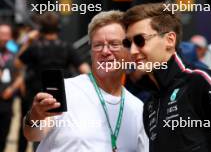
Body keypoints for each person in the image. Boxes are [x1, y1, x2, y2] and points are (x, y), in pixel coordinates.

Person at [122, 3, 211, 152]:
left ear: (170, 40)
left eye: (140, 40)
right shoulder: (150, 104)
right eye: (128, 43)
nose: (132, 51)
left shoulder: (201, 82)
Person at [23, 10, 148, 152]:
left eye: (114, 44)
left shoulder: (138, 109)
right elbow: (33, 135)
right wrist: (35, 116)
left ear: (129, 50)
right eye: (98, 45)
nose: (105, 51)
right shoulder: (65, 91)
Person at [15, 12, 90, 152]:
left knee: (37, 136)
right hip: (62, 100)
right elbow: (85, 70)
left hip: (38, 101)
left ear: (40, 29)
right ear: (59, 27)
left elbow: (18, 63)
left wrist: (28, 41)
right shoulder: (67, 47)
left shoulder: (34, 47)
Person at [0, 23, 23, 152]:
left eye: (7, 35)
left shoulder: (14, 55)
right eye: (2, 35)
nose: (4, 38)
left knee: (4, 135)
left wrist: (12, 89)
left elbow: (20, 76)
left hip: (7, 101)